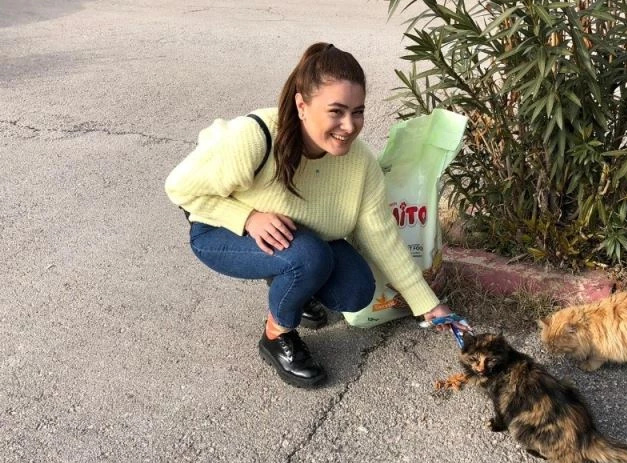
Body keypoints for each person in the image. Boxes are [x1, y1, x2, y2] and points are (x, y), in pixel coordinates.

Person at [165, 42, 461, 389]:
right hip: (220, 230)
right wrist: (246, 217)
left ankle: (288, 282)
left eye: (358, 111)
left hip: (297, 238)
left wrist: (427, 304)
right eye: (336, 111)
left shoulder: (359, 162)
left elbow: (381, 236)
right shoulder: (255, 137)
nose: (349, 126)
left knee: (356, 290)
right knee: (308, 258)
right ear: (302, 105)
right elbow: (179, 188)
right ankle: (277, 335)